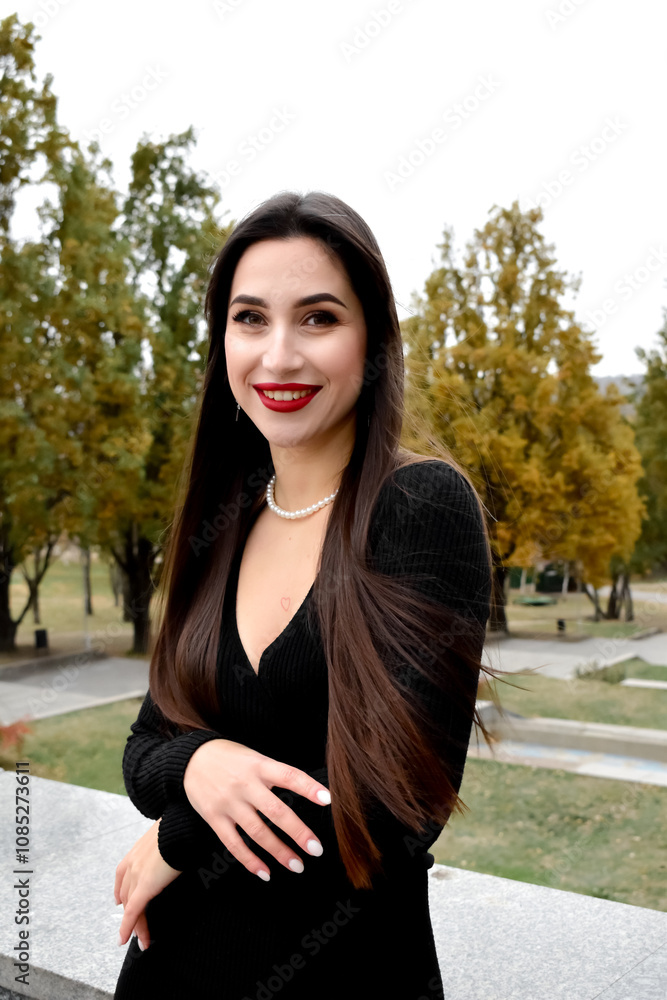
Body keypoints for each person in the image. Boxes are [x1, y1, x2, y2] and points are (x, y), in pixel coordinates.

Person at [113, 190, 502, 999]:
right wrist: (202, 761)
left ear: (373, 340)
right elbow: (144, 752)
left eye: (318, 319)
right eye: (249, 319)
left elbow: (391, 817)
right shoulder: (224, 520)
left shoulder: (421, 508)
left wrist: (179, 838)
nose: (278, 356)